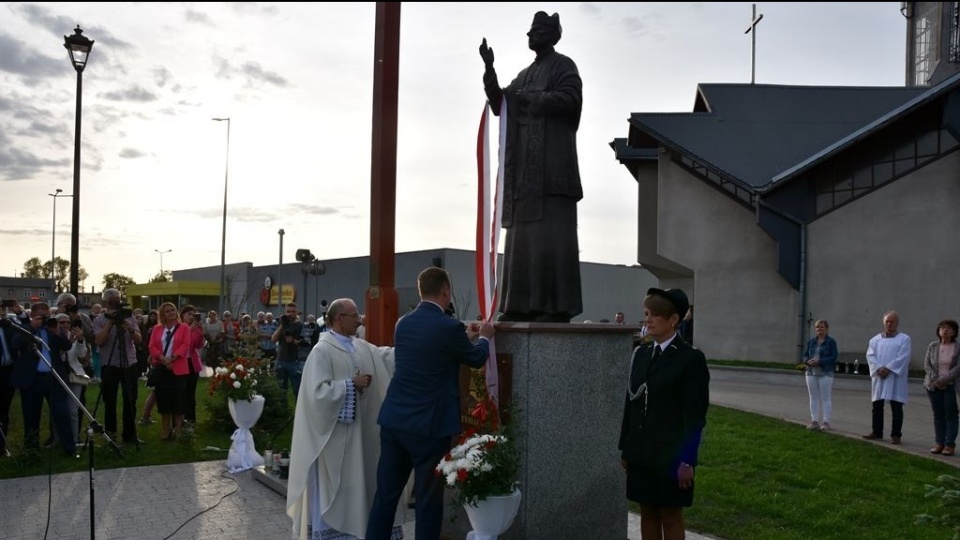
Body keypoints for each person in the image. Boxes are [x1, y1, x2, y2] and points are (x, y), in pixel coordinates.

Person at [366, 267, 495, 540]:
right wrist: (484, 337)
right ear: (446, 291)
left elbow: (429, 350)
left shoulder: (403, 323)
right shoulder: (449, 327)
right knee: (427, 501)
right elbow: (474, 359)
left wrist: (464, 338)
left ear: (421, 290)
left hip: (394, 421)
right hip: (429, 427)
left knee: (386, 496)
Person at [479, 10, 583, 322]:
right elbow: (502, 104)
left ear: (552, 34)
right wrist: (489, 70)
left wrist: (533, 99)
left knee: (552, 240)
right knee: (522, 242)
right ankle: (519, 305)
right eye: (529, 31)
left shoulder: (564, 66)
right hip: (525, 177)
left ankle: (551, 308)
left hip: (553, 174)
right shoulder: (524, 74)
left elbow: (570, 100)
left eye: (536, 31)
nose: (530, 35)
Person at [287, 298, 406, 540]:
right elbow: (315, 395)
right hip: (336, 443)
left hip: (363, 437)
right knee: (341, 489)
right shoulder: (322, 351)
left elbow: (385, 358)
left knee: (366, 483)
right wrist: (350, 385)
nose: (360, 320)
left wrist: (415, 348)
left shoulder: (361, 346)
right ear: (339, 318)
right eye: (354, 315)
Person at [619, 288, 709, 540]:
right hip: (641, 451)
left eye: (656, 315)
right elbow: (632, 402)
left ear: (674, 320)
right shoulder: (641, 354)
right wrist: (626, 448)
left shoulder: (690, 359)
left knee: (670, 516)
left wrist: (687, 460)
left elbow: (695, 416)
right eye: (647, 313)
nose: (648, 319)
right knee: (647, 512)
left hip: (671, 455)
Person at [9, 302, 76, 455]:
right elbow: (15, 343)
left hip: (53, 379)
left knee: (61, 413)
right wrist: (32, 327)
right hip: (32, 380)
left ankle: (69, 448)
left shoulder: (51, 330)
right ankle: (32, 450)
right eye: (41, 317)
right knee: (31, 416)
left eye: (46, 316)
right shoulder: (24, 328)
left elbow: (66, 346)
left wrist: (57, 331)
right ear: (32, 315)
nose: (44, 320)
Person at [92, 288, 143, 446]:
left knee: (130, 399)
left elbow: (139, 339)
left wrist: (129, 327)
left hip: (129, 363)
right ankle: (111, 435)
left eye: (117, 300)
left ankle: (130, 435)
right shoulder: (99, 319)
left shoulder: (129, 317)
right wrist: (110, 323)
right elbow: (99, 341)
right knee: (110, 400)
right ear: (105, 303)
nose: (115, 304)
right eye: (112, 301)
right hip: (110, 364)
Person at [863, 310, 912, 444]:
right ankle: (877, 432)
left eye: (892, 321)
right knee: (877, 406)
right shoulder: (875, 340)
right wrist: (879, 368)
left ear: (897, 323)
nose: (889, 324)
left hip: (895, 378)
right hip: (879, 377)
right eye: (887, 321)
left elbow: (903, 357)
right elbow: (870, 356)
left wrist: (888, 369)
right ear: (883, 322)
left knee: (896, 407)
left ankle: (896, 435)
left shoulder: (904, 339)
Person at [148, 302, 192, 441]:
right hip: (162, 368)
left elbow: (186, 345)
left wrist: (172, 358)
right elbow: (152, 346)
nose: (171, 313)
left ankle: (178, 430)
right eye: (167, 311)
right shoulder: (157, 329)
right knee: (163, 400)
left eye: (173, 310)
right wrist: (162, 359)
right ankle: (166, 429)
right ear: (163, 315)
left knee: (178, 400)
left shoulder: (184, 327)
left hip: (178, 368)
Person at [923, 319, 960, 455]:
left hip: (950, 386)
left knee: (951, 415)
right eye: (942, 327)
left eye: (949, 328)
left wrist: (944, 380)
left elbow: (958, 368)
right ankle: (940, 443)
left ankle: (949, 444)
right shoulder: (933, 346)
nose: (945, 330)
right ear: (938, 331)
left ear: (954, 332)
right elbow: (927, 365)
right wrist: (936, 380)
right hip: (933, 386)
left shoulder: (958, 347)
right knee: (938, 414)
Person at [801, 320, 839, 431]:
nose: (819, 329)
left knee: (825, 397)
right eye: (817, 327)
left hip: (825, 372)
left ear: (827, 329)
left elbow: (834, 357)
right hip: (811, 372)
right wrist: (808, 362)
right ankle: (814, 420)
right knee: (813, 397)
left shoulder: (831, 342)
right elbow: (804, 355)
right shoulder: (811, 342)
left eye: (822, 327)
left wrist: (820, 362)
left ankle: (826, 421)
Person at [273, 302, 305, 401]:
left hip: (295, 361)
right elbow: (273, 339)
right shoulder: (280, 324)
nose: (290, 313)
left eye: (293, 311)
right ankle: (282, 414)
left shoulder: (300, 325)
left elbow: (305, 344)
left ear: (297, 313)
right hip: (281, 360)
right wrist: (282, 325)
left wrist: (293, 341)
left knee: (297, 390)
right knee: (281, 390)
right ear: (284, 312)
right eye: (288, 311)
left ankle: (298, 414)